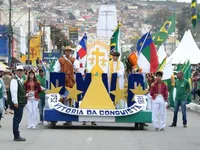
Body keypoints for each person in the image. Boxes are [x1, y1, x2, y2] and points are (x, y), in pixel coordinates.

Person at [54, 45, 80, 125]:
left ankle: (69, 119)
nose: (67, 52)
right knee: (61, 99)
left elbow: (77, 70)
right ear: (65, 51)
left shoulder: (74, 60)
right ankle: (59, 117)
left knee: (69, 100)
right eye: (66, 51)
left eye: (69, 51)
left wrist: (75, 70)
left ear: (70, 52)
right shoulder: (60, 60)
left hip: (71, 82)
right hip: (62, 81)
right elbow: (56, 70)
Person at [10, 66, 26, 141]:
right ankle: (16, 135)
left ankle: (16, 134)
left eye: (21, 71)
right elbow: (14, 91)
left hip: (21, 102)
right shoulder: (14, 80)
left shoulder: (20, 80)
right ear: (16, 72)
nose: (20, 72)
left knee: (18, 119)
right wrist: (15, 101)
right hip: (18, 102)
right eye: (18, 71)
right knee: (17, 119)